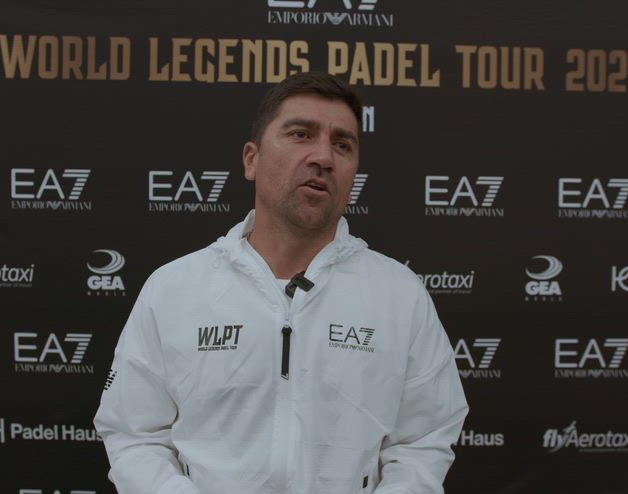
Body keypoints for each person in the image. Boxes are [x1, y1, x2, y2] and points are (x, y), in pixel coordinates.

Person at [94, 72, 468, 494]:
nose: (323, 157)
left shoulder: (400, 296)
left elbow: (423, 441)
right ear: (251, 160)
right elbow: (134, 434)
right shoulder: (174, 289)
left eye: (342, 145)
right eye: (301, 134)